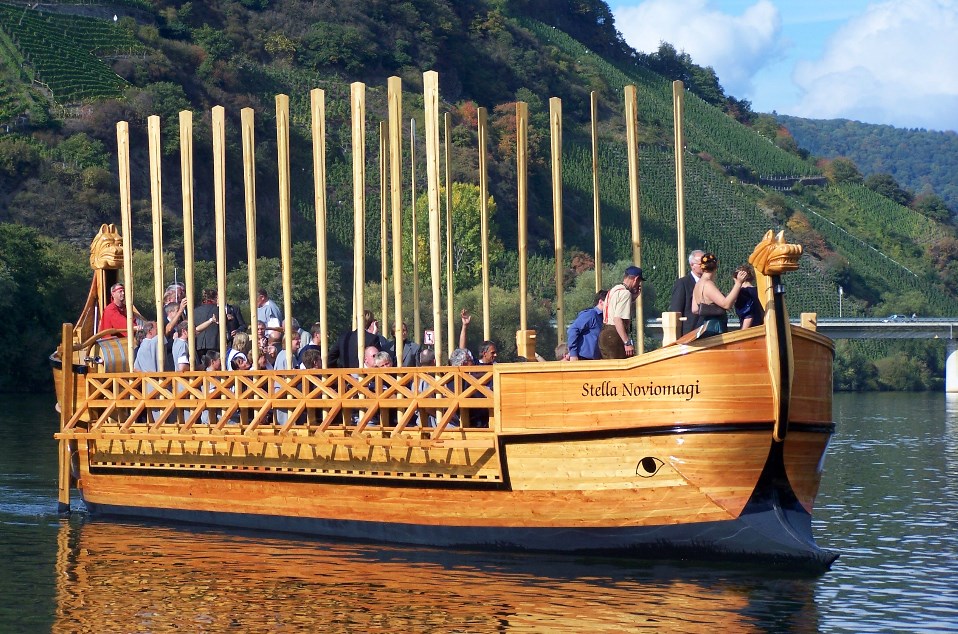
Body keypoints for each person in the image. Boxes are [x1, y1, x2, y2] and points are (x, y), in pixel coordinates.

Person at [692, 253, 748, 334]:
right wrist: (738, 283)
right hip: (715, 327)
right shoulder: (707, 284)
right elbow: (726, 304)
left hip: (704, 325)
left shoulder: (697, 284)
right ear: (716, 267)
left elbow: (695, 309)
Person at [598, 266, 644, 359]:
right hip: (615, 334)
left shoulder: (614, 290)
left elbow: (614, 308)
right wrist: (627, 342)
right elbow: (617, 319)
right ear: (636, 279)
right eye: (639, 282)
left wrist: (633, 298)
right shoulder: (625, 293)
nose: (638, 284)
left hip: (604, 333)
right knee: (619, 369)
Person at [668, 249, 705, 336]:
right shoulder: (683, 283)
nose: (704, 266)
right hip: (689, 334)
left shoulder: (708, 283)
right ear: (692, 265)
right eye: (701, 264)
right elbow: (676, 311)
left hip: (706, 333)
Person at [567, 289, 607, 361]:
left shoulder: (604, 318)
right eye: (609, 303)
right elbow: (573, 330)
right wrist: (573, 354)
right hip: (583, 358)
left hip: (595, 360)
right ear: (601, 302)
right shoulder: (591, 315)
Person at [733, 264, 764, 329]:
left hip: (749, 331)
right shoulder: (759, 291)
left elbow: (748, 316)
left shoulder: (742, 293)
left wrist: (742, 334)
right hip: (761, 328)